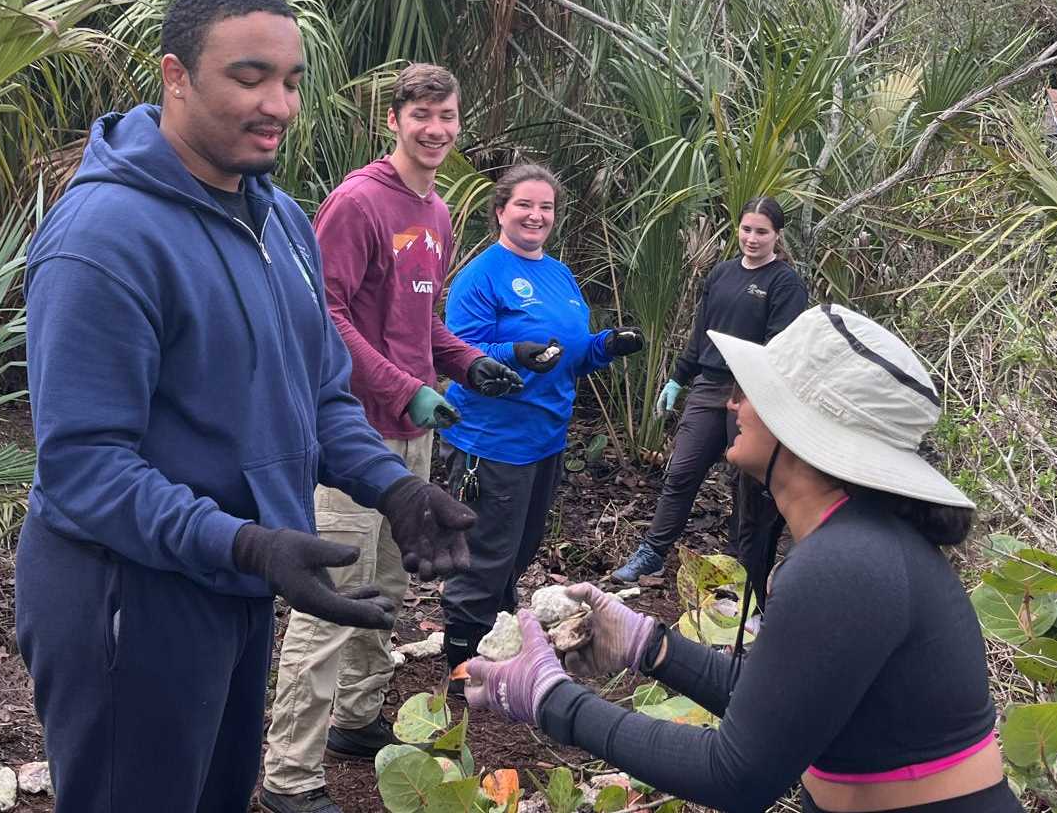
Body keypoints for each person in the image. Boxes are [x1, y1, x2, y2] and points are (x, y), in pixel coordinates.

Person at [15, 0, 477, 813]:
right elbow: (84, 470)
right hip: (131, 597)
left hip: (236, 582)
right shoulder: (104, 240)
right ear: (175, 76)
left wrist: (393, 486)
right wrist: (248, 546)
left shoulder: (279, 220)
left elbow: (322, 393)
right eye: (249, 76)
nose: (280, 104)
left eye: (293, 80)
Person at [463, 305, 1024, 813]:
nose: (732, 402)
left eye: (750, 391)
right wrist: (649, 646)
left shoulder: (847, 562)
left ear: (799, 429)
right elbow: (777, 698)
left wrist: (552, 700)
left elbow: (737, 774)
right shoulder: (860, 542)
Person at [260, 64, 521, 813]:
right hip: (348, 439)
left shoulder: (436, 212)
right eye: (423, 115)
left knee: (389, 589)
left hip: (412, 437)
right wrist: (405, 387)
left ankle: (356, 719)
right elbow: (327, 320)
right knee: (330, 599)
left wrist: (471, 364)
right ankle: (289, 775)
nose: (436, 128)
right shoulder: (356, 203)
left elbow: (421, 322)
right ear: (394, 119)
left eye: (448, 115)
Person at [436, 164, 644, 686]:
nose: (536, 215)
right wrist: (516, 353)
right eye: (525, 205)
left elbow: (571, 353)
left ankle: (499, 648)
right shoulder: (482, 275)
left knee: (519, 550)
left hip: (546, 438)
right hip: (494, 440)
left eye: (546, 207)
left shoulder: (558, 273)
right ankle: (463, 669)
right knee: (485, 555)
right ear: (501, 210)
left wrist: (606, 346)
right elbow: (458, 349)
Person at [613, 196, 808, 614]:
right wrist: (678, 378)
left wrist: (758, 393)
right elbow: (702, 330)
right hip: (708, 385)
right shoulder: (721, 273)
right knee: (682, 472)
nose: (752, 239)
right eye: (746, 229)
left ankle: (740, 573)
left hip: (753, 394)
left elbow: (782, 345)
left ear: (777, 235)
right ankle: (651, 552)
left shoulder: (784, 282)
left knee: (749, 489)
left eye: (762, 231)